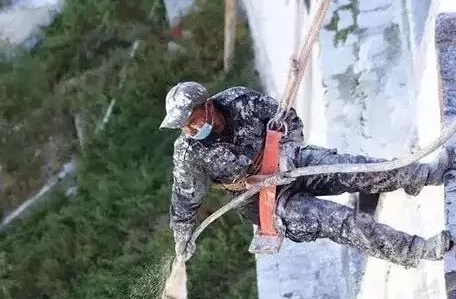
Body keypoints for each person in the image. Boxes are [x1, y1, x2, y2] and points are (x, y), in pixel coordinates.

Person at [160, 81, 454, 267]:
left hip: (288, 161)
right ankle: (417, 250)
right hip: (263, 201)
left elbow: (287, 117)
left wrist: (287, 153)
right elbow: (185, 199)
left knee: (357, 168)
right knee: (340, 221)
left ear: (208, 106)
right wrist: (183, 235)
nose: (191, 129)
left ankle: (425, 174)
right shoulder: (190, 154)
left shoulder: (240, 101)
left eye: (194, 120)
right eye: (184, 126)